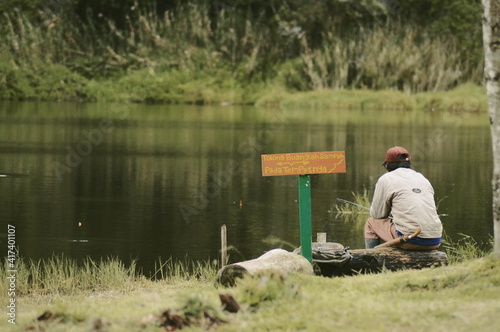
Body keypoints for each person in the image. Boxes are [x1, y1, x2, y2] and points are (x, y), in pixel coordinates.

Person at [364, 146, 443, 250]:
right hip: (435, 240)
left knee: (371, 223)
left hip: (410, 239)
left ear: (388, 166)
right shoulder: (422, 178)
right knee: (400, 227)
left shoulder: (386, 179)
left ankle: (371, 259)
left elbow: (377, 215)